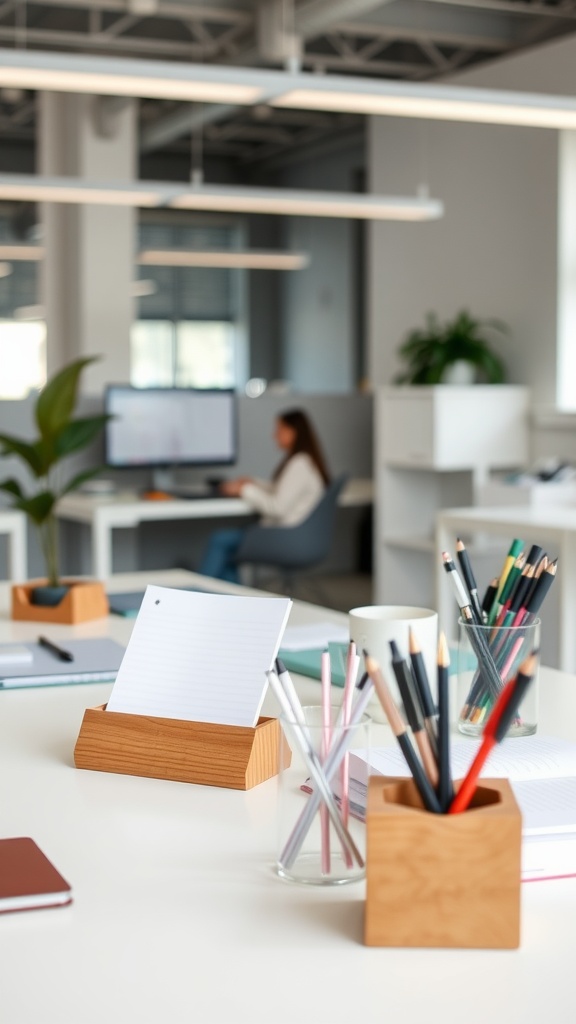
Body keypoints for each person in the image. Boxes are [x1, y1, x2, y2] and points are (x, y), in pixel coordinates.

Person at [198, 408, 330, 583]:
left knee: (220, 540)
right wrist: (253, 483)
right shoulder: (305, 462)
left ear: (294, 432)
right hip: (297, 536)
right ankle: (230, 599)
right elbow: (283, 490)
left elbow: (277, 508)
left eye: (279, 430)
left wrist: (243, 491)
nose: (274, 436)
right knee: (229, 551)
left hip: (284, 537)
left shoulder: (299, 464)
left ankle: (197, 594)